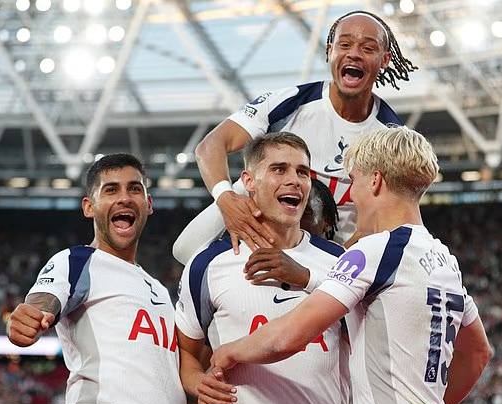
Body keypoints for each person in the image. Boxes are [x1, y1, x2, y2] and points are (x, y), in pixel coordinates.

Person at [211, 126, 492, 404]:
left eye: (354, 181)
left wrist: (229, 352)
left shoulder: (376, 250)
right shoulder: (445, 260)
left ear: (375, 181)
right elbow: (478, 352)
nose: (352, 196)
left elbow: (287, 337)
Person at [172, 10, 417, 264]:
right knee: (186, 249)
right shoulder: (287, 103)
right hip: (269, 237)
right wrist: (226, 199)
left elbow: (391, 218)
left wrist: (335, 264)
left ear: (385, 59)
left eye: (367, 48)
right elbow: (210, 145)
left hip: (336, 257)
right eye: (344, 45)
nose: (354, 53)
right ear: (330, 51)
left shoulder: (391, 137)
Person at [174, 132, 350, 404]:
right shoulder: (208, 263)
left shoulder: (340, 261)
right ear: (248, 182)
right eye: (279, 169)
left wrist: (307, 277)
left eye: (302, 172)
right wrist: (198, 383)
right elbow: (185, 352)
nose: (294, 180)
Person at [6, 153, 187, 404]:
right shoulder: (76, 262)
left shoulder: (159, 289)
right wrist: (24, 319)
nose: (124, 198)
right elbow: (42, 304)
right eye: (111, 190)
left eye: (134, 189)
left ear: (148, 204)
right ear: (89, 207)